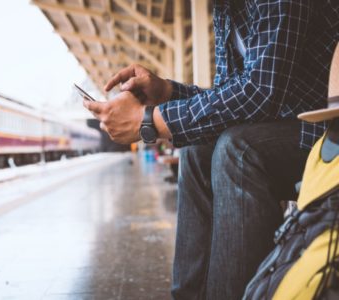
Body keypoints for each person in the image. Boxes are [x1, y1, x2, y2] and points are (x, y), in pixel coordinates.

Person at [83, 0, 339, 299]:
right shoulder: (226, 9)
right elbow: (229, 95)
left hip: (326, 131)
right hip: (285, 131)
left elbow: (259, 93)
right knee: (197, 148)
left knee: (239, 150)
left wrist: (150, 122)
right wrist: (167, 92)